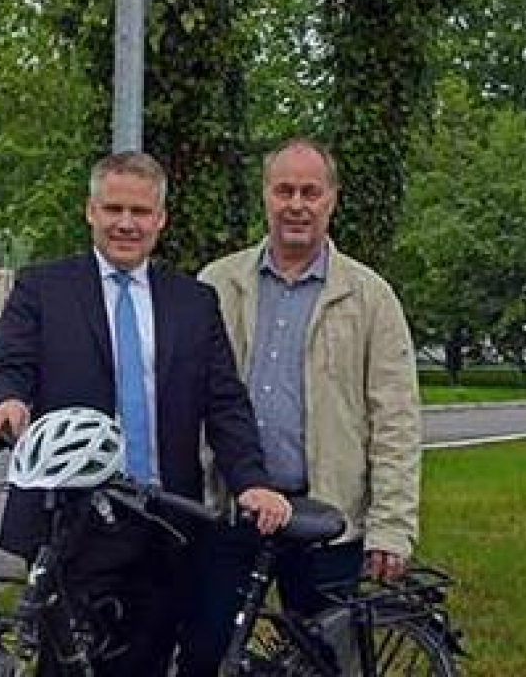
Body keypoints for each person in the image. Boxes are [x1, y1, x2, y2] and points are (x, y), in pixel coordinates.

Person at [0, 151, 291, 677]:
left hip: (164, 518)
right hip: (70, 521)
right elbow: (6, 365)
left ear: (160, 219)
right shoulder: (43, 289)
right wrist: (5, 402)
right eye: (114, 209)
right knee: (68, 666)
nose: (127, 223)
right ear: (90, 212)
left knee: (147, 660)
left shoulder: (193, 302)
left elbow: (225, 402)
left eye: (140, 212)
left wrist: (250, 482)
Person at [179, 138, 422, 676]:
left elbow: (397, 422)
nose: (296, 204)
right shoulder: (216, 285)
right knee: (206, 656)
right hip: (233, 510)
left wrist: (392, 527)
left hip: (327, 519)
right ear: (265, 196)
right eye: (284, 190)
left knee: (326, 665)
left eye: (310, 192)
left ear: (332, 200)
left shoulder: (370, 297)